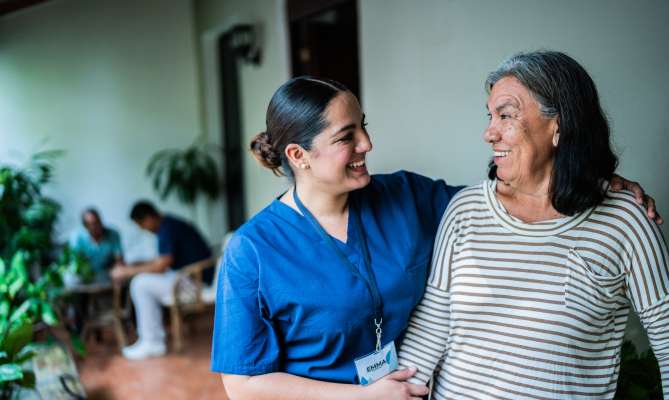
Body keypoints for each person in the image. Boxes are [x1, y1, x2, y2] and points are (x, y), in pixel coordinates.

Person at [211, 76, 661, 400]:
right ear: (298, 155)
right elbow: (243, 384)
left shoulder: (408, 196)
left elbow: (515, 195)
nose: (367, 143)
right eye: (348, 136)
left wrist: (596, 179)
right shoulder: (252, 250)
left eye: (364, 125)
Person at [397, 50, 669, 399]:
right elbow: (432, 325)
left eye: (506, 115)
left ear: (560, 125)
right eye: (490, 116)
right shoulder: (466, 209)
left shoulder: (625, 221)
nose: (488, 133)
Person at [111, 200, 212, 360]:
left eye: (142, 225)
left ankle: (152, 342)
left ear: (149, 218)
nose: (144, 229)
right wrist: (137, 265)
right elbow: (162, 261)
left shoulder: (167, 228)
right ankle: (150, 339)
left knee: (140, 284)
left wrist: (127, 271)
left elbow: (161, 265)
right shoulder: (170, 224)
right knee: (142, 281)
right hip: (188, 277)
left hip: (195, 282)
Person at [69, 207, 123, 278]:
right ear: (85, 226)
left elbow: (119, 258)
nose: (97, 226)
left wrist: (118, 270)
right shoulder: (77, 237)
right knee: (70, 278)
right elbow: (76, 261)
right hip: (85, 274)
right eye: (92, 224)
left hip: (107, 271)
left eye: (98, 221)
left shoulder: (113, 234)